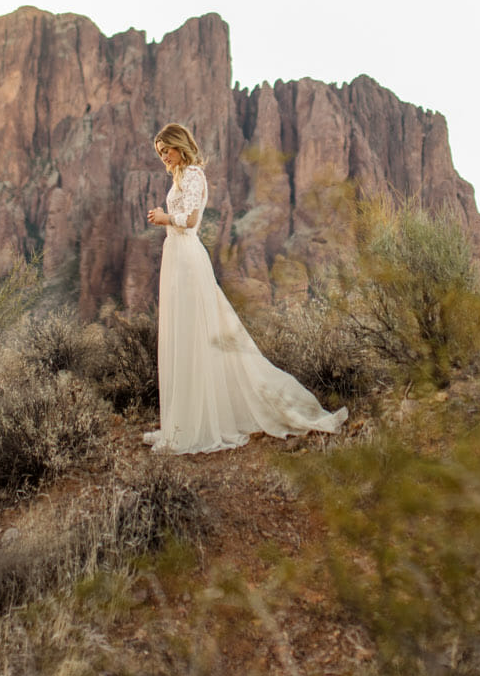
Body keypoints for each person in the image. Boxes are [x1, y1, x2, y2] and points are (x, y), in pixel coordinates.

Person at [141, 122, 348, 454]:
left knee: (196, 335)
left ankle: (195, 426)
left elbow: (192, 220)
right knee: (182, 335)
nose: (163, 156)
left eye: (166, 150)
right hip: (176, 258)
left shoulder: (193, 174)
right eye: (159, 152)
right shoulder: (181, 176)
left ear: (180, 146)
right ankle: (179, 423)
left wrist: (166, 218)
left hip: (187, 256)